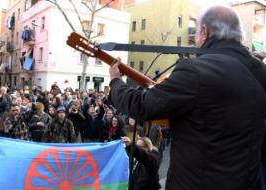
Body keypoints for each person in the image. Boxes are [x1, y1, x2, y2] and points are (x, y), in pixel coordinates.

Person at [108, 5, 266, 190]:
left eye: (197, 33)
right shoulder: (260, 72)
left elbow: (143, 105)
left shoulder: (196, 70)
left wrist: (116, 82)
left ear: (205, 32)